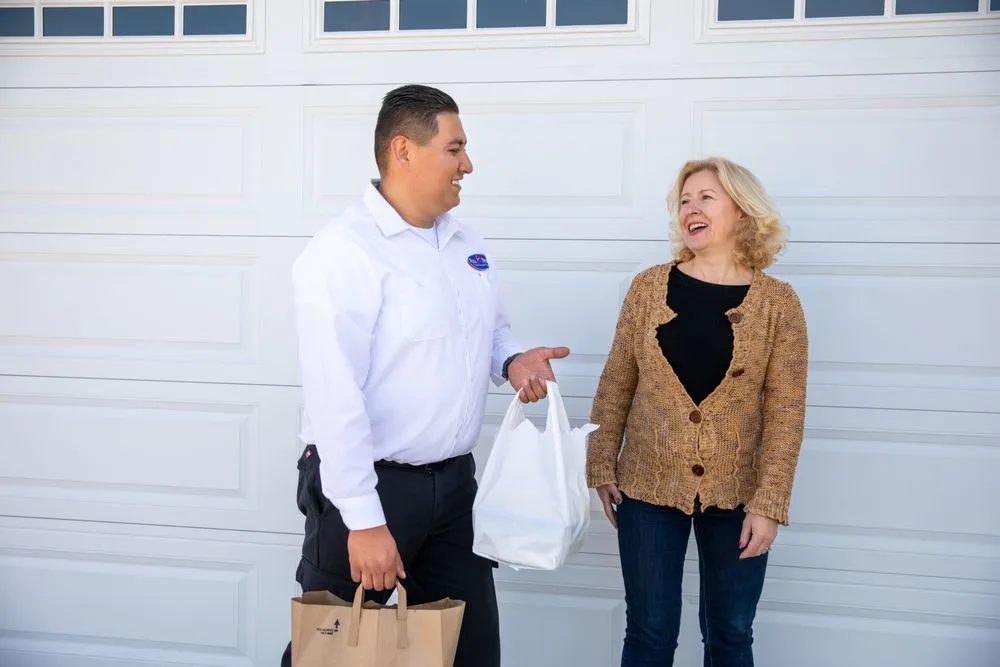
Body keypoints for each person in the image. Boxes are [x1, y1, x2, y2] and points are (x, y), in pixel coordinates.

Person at [280, 84, 569, 667]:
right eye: (454, 149)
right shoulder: (343, 252)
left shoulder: (466, 243)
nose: (468, 165)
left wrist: (512, 362)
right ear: (404, 150)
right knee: (329, 654)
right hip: (369, 488)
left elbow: (490, 330)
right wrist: (364, 522)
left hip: (455, 490)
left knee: (469, 651)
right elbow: (334, 397)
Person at [586, 157, 809, 667]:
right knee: (649, 631)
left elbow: (786, 412)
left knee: (731, 632)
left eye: (706, 197)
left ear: (742, 210)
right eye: (685, 201)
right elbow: (617, 379)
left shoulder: (778, 304)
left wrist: (769, 503)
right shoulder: (648, 288)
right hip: (647, 486)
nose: (691, 209)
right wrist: (601, 462)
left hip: (739, 493)